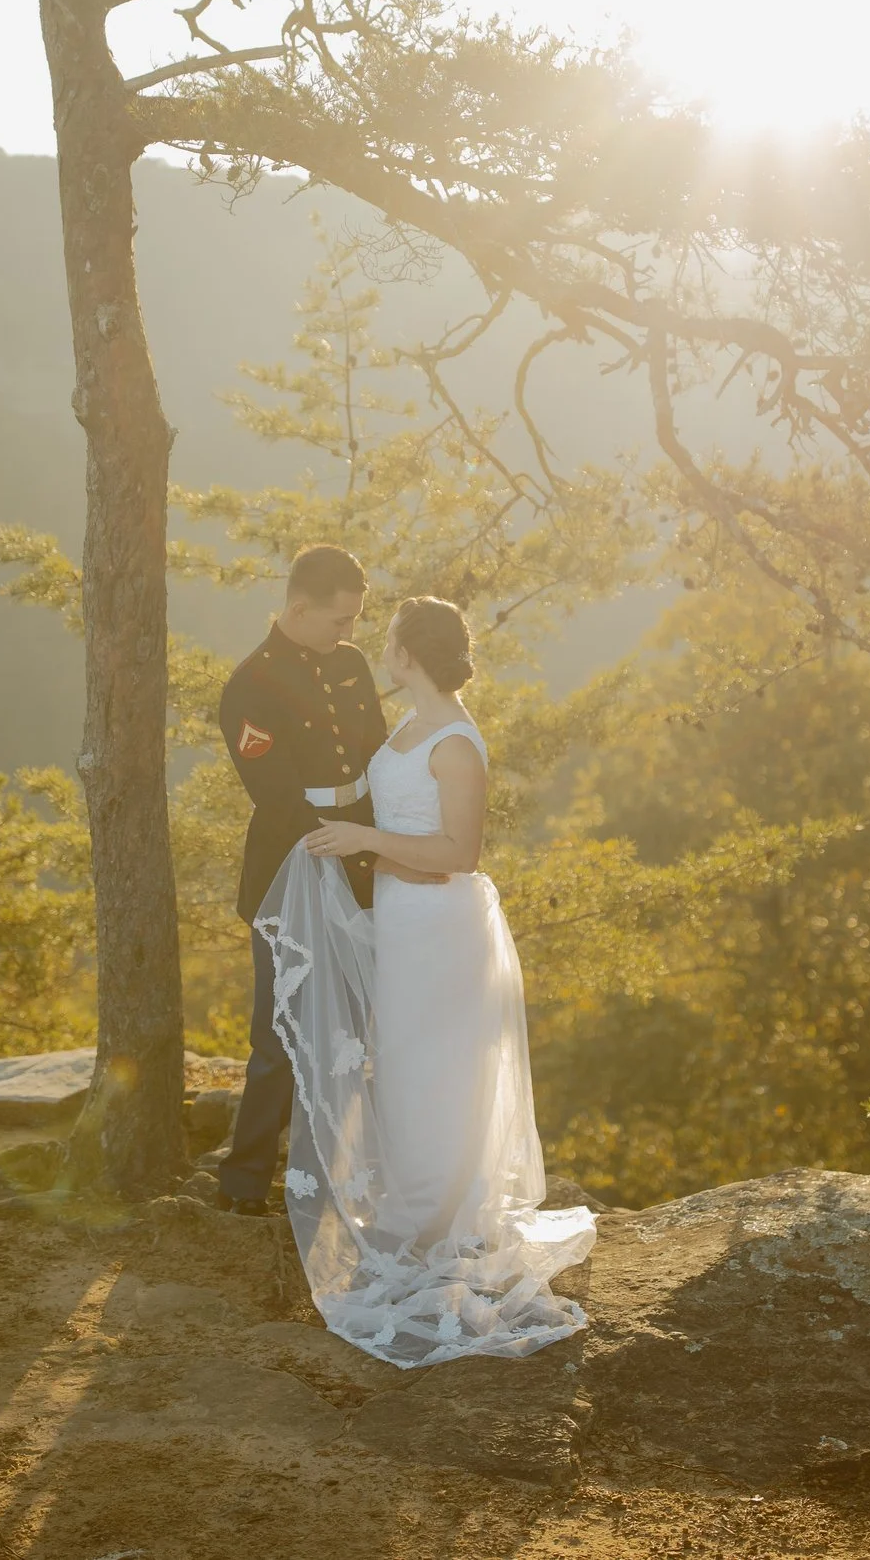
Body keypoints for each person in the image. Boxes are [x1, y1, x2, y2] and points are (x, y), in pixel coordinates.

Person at [256, 594, 596, 1367]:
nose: (380, 647)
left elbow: (459, 852)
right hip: (400, 919)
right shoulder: (406, 723)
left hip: (442, 925)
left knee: (435, 1067)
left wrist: (364, 839)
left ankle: (437, 1221)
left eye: (389, 639)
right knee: (402, 1062)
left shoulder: (455, 743)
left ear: (410, 653)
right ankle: (417, 1209)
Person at [213, 544, 418, 1214]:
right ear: (299, 608)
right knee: (278, 1032)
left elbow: (376, 754)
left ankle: (344, 1172)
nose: (350, 634)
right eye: (340, 619)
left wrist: (383, 846)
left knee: (358, 1023)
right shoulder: (249, 685)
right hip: (290, 865)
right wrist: (346, 851)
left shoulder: (351, 663)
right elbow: (275, 797)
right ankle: (244, 1183)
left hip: (362, 848)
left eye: (356, 621)